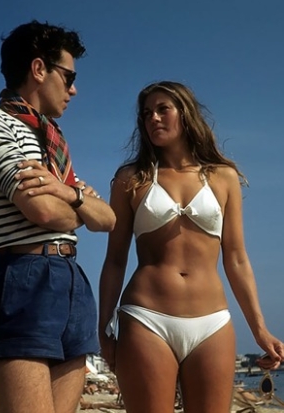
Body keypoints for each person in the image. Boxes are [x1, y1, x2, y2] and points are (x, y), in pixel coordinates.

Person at [97, 81, 284, 412]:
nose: (152, 118)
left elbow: (237, 259)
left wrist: (259, 329)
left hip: (211, 322)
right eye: (146, 113)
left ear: (185, 114)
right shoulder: (132, 178)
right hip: (146, 318)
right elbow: (114, 260)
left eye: (162, 109)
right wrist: (104, 328)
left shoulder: (222, 177)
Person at [0, 20, 115, 413]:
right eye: (69, 77)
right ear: (39, 69)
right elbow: (44, 211)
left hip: (69, 279)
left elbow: (108, 219)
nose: (74, 89)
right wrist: (80, 201)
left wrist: (66, 192)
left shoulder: (52, 142)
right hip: (21, 275)